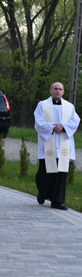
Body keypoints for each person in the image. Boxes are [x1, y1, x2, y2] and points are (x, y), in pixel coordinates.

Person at [34, 82, 80, 210]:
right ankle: (42, 193)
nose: (58, 91)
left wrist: (63, 127)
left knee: (60, 173)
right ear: (50, 91)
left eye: (60, 89)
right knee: (44, 172)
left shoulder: (69, 107)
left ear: (63, 92)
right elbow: (38, 122)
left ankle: (57, 201)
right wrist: (53, 127)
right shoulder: (42, 105)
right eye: (55, 89)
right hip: (48, 142)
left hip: (63, 145)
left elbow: (75, 121)